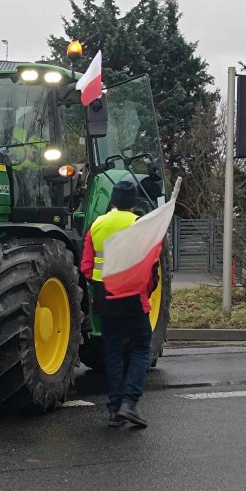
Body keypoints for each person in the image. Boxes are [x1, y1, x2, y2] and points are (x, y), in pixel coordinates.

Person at [80, 180, 159, 428]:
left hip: (106, 297)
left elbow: (86, 267)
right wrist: (144, 292)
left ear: (112, 201)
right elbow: (151, 267)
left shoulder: (96, 225)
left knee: (112, 352)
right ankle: (129, 402)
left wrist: (100, 289)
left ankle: (114, 410)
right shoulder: (139, 225)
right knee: (141, 349)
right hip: (134, 296)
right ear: (134, 203)